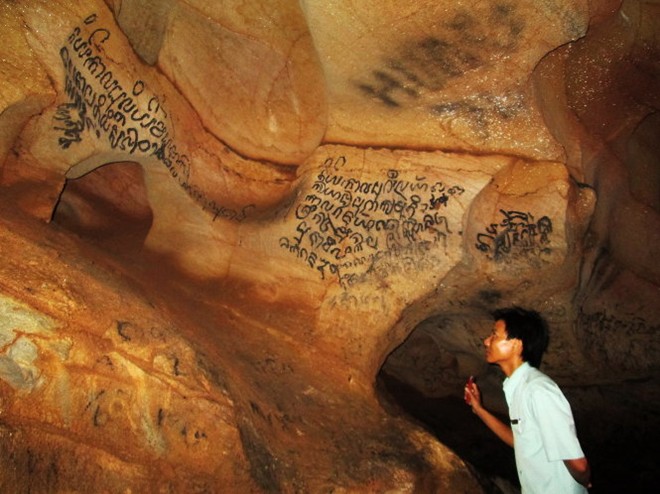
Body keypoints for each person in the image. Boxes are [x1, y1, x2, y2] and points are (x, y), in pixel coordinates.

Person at [464, 307, 591, 493]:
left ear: (516, 344)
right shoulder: (518, 388)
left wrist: (583, 481)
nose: (486, 341)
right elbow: (522, 442)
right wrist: (479, 408)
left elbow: (579, 465)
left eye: (494, 335)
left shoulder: (539, 391)